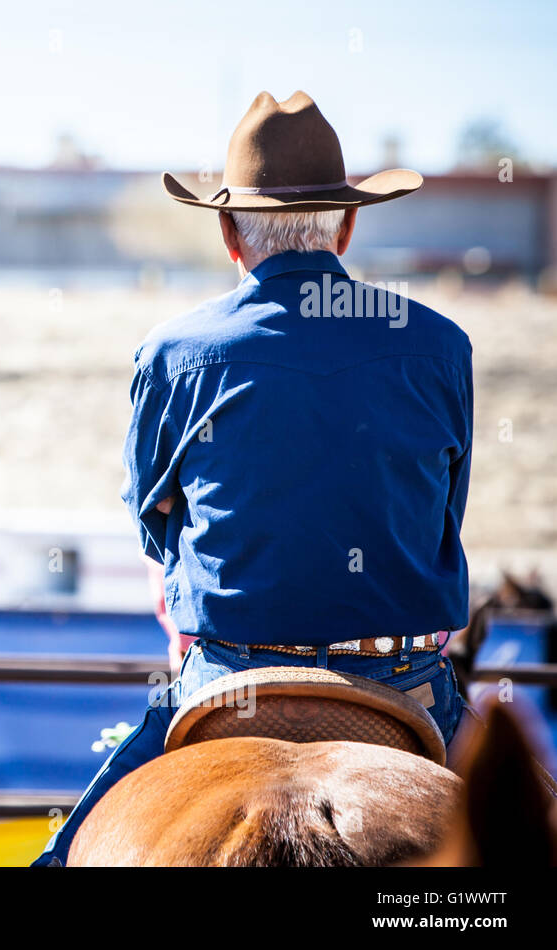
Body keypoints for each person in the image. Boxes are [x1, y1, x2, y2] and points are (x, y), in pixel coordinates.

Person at [34, 91, 473, 866]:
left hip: (228, 676)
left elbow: (152, 523)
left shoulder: (173, 352)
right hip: (406, 679)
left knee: (65, 854)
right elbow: (444, 514)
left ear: (229, 232)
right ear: (347, 224)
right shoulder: (440, 346)